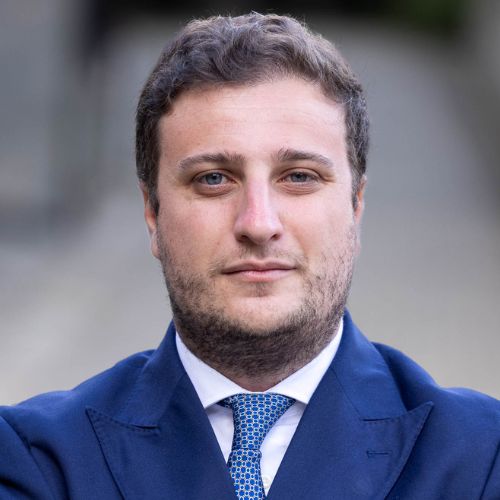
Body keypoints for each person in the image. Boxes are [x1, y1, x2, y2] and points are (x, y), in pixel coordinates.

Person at [1, 12, 499, 500]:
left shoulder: (483, 456)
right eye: (213, 179)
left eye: (299, 176)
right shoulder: (35, 460)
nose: (258, 224)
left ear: (356, 206)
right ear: (152, 213)